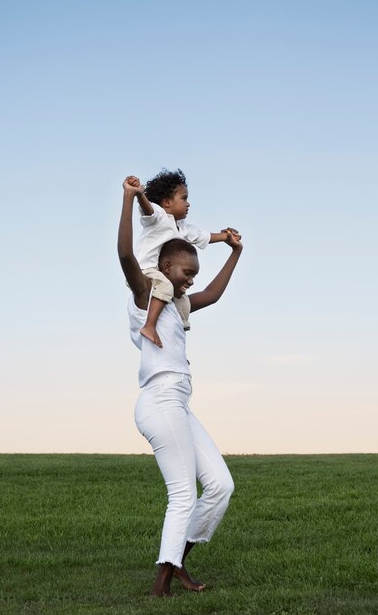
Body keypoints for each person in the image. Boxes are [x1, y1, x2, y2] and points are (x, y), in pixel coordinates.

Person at [118, 175, 243, 597]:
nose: (190, 281)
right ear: (166, 268)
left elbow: (212, 293)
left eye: (192, 275)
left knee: (221, 487)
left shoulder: (180, 303)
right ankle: (161, 585)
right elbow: (124, 254)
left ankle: (178, 565)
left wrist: (235, 252)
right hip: (158, 400)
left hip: (180, 404)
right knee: (182, 494)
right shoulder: (143, 296)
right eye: (185, 273)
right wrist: (127, 200)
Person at [128, 169, 239, 348]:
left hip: (162, 275)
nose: (188, 204)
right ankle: (149, 325)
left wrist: (227, 237)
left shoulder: (183, 228)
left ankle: (175, 343)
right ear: (166, 202)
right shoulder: (158, 217)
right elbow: (147, 208)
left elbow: (205, 237)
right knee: (165, 286)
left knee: (182, 302)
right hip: (146, 270)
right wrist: (139, 194)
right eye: (184, 198)